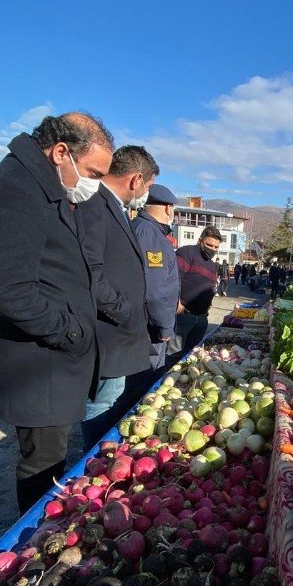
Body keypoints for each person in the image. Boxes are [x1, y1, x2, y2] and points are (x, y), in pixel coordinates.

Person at [0, 112, 112, 513]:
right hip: (38, 363)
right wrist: (70, 333)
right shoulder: (14, 188)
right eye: (93, 172)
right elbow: (9, 290)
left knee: (50, 455)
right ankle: (33, 542)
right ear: (61, 152)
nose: (95, 184)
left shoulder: (42, 185)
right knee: (41, 464)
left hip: (50, 359)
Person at [77, 145, 158, 451]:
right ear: (136, 179)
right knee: (99, 407)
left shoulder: (114, 208)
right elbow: (89, 273)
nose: (145, 194)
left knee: (108, 402)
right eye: (148, 186)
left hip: (117, 335)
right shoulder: (94, 206)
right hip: (107, 334)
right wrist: (124, 311)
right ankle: (93, 461)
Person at [130, 183, 180, 372]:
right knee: (145, 377)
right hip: (150, 327)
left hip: (145, 322)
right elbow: (154, 288)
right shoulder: (150, 235)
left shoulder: (144, 228)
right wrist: (165, 326)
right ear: (168, 208)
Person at [170, 226, 221, 360]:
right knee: (173, 357)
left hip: (201, 319)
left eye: (216, 247)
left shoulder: (211, 264)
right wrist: (177, 302)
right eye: (209, 245)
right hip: (184, 316)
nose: (213, 249)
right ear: (200, 240)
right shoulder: (187, 252)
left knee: (191, 357)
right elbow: (172, 277)